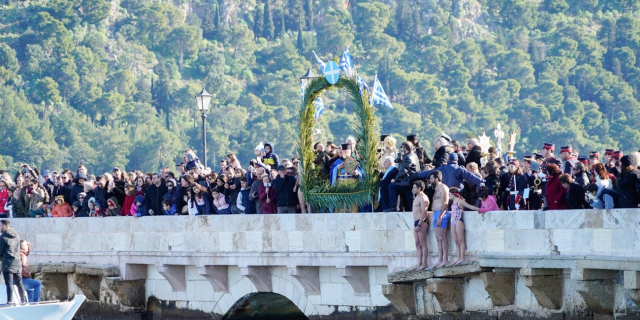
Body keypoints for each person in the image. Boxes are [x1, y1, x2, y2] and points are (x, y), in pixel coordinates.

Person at [385, 142, 419, 212]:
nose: (402, 150)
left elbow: (403, 171)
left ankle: (392, 206)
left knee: (392, 186)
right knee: (408, 197)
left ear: (405, 148)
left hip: (407, 181)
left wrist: (396, 179)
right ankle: (409, 209)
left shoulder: (407, 157)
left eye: (403, 148)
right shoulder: (413, 155)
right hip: (410, 180)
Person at [449, 187, 478, 266]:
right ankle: (458, 258)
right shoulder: (453, 201)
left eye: (449, 194)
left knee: (461, 240)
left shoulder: (460, 201)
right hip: (453, 222)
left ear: (453, 194)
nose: (449, 196)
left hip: (458, 221)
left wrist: (480, 209)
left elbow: (470, 206)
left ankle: (462, 258)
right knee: (456, 241)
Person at [0, 220, 26, 305]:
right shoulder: (16, 236)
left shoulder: (3, 237)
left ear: (4, 226)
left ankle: (10, 301)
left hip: (8, 264)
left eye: (0, 226)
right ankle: (24, 301)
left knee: (9, 283)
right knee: (19, 283)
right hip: (17, 263)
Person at [430, 171, 450, 268]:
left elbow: (445, 203)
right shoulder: (436, 188)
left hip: (442, 213)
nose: (430, 180)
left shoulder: (443, 187)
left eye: (431, 178)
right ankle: (440, 258)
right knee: (438, 238)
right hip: (435, 213)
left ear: (436, 179)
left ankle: (445, 259)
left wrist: (440, 216)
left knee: (443, 237)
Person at [409, 181, 430, 271]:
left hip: (421, 222)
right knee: (417, 243)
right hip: (416, 222)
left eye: (414, 188)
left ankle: (424, 263)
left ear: (420, 188)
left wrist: (419, 224)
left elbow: (424, 212)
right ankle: (419, 262)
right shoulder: (417, 197)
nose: (413, 189)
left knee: (422, 243)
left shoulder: (423, 198)